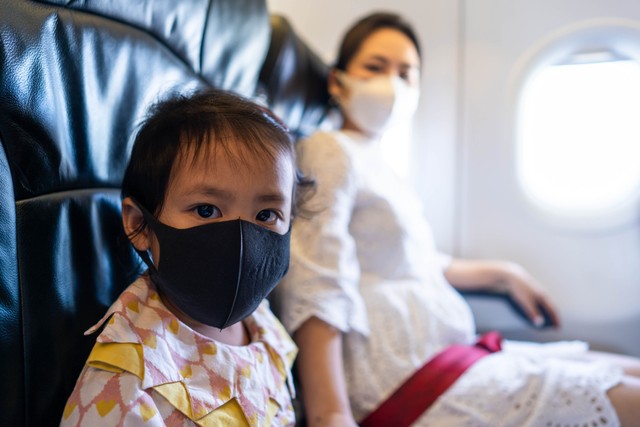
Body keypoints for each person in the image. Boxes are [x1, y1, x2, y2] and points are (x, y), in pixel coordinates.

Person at [274, 11, 640, 427]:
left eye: (405, 73)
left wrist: (502, 273)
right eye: (375, 68)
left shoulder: (380, 164)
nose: (391, 84)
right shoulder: (330, 148)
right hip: (401, 373)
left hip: (446, 353)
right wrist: (330, 412)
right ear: (338, 81)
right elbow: (315, 277)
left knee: (629, 370)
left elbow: (408, 259)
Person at [61, 89, 313, 426]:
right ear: (140, 225)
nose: (241, 243)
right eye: (207, 210)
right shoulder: (127, 382)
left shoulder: (262, 323)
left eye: (266, 215)